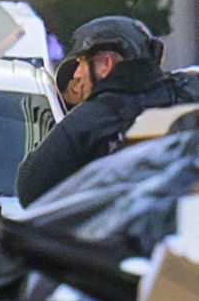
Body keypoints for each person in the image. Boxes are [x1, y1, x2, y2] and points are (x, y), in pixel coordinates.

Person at [17, 16, 199, 207]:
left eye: (81, 62)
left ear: (105, 63)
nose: (77, 74)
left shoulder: (88, 120)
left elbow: (30, 190)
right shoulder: (188, 94)